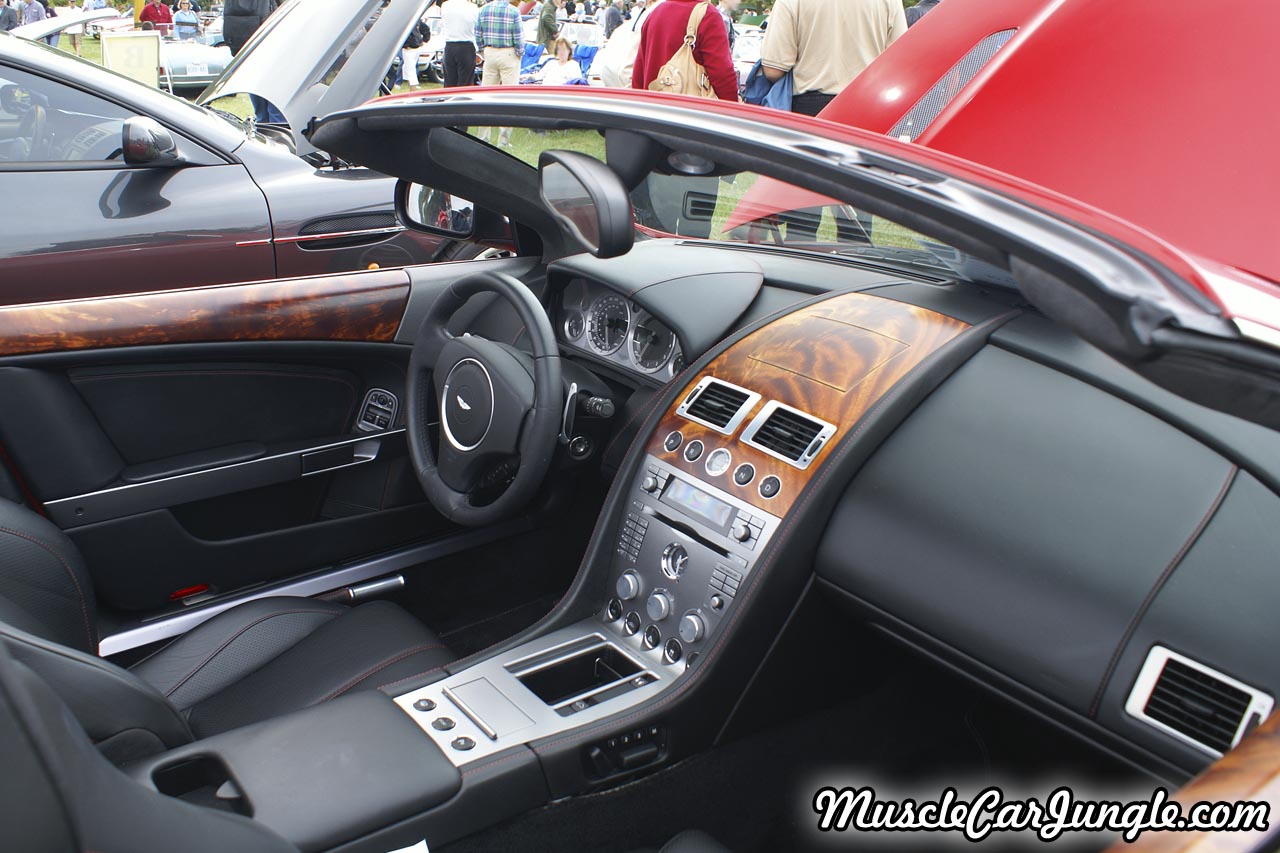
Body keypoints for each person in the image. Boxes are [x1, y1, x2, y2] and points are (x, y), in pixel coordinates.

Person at [759, 0, 905, 116]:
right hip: (868, 105)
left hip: (811, 107)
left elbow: (773, 70)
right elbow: (899, 62)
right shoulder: (892, 2)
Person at [631, 0, 737, 101]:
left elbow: (638, 75)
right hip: (688, 113)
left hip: (652, 111)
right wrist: (734, 112)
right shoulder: (708, 16)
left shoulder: (654, 14)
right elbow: (723, 77)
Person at [222, 0, 281, 123]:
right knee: (275, 103)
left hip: (242, 42)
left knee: (260, 102)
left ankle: (264, 128)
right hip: (267, 40)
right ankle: (276, 131)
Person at [475, 0, 523, 146]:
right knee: (509, 98)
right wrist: (520, 52)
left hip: (490, 52)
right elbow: (518, 37)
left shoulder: (483, 10)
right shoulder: (514, 11)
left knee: (486, 97)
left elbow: (477, 34)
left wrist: (483, 49)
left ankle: (483, 137)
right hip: (508, 53)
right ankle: (503, 140)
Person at [440, 0, 479, 88]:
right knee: (466, 82)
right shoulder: (472, 7)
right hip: (466, 45)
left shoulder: (445, 6)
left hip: (450, 45)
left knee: (449, 81)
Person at [400, 15, 431, 89]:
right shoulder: (415, 19)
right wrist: (424, 40)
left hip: (410, 48)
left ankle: (413, 89)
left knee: (410, 70)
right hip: (415, 47)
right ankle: (411, 87)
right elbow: (425, 28)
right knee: (408, 68)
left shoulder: (405, 21)